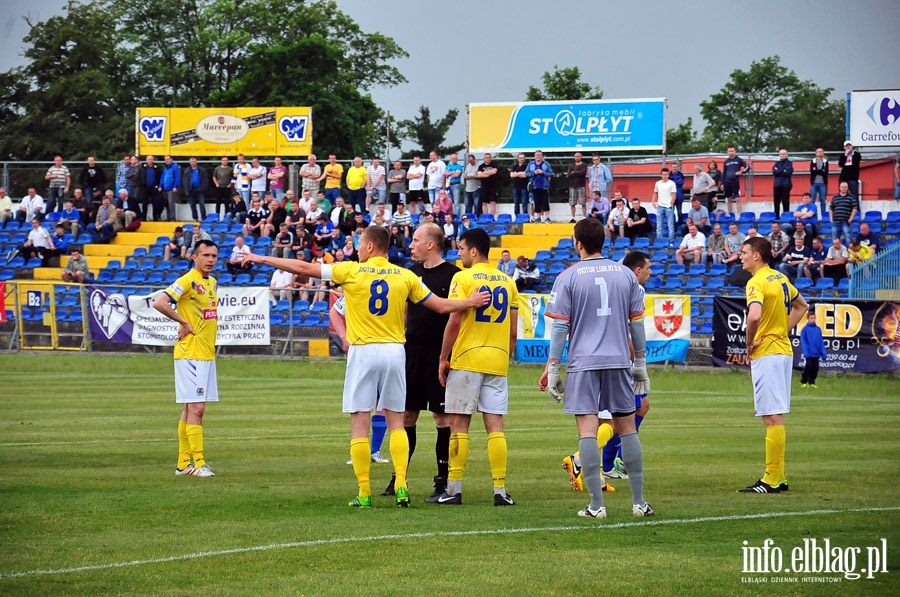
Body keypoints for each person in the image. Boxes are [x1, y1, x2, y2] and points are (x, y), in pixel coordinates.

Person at [242, 226, 490, 508]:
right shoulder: (406, 275)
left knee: (361, 420)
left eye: (360, 244)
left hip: (364, 350)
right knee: (398, 421)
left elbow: (303, 267)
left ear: (371, 247)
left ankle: (363, 492)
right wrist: (470, 302)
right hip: (396, 351)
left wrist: (262, 259)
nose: (357, 249)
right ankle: (400, 486)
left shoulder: (352, 270)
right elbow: (441, 306)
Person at [539, 217, 652, 519]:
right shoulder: (625, 275)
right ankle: (639, 503)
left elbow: (560, 328)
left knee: (587, 430)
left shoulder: (569, 276)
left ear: (577, 243)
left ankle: (596, 506)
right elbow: (637, 324)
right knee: (627, 429)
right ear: (604, 241)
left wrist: (552, 367)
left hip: (583, 362)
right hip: (618, 359)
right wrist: (639, 362)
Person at [436, 228, 518, 506]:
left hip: (467, 358)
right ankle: (500, 490)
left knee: (459, 425)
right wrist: (505, 355)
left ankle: (454, 489)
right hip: (497, 359)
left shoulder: (463, 277)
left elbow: (455, 321)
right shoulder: (508, 282)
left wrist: (443, 357)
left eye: (461, 248)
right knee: (496, 427)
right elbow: (513, 332)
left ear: (473, 251)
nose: (458, 254)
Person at [379, 224, 462, 501]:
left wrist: (448, 356)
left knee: (442, 418)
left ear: (431, 244)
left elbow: (455, 317)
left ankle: (442, 482)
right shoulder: (408, 274)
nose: (410, 244)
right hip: (410, 353)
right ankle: (398, 477)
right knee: (405, 416)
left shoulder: (454, 276)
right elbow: (403, 313)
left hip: (440, 355)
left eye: (416, 240)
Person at [561, 250, 653, 492]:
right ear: (636, 271)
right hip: (613, 358)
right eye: (647, 268)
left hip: (595, 356)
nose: (650, 272)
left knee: (631, 411)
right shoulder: (631, 285)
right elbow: (630, 326)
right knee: (613, 419)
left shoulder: (580, 276)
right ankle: (584, 461)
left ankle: (602, 467)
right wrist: (638, 361)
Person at [738, 236, 807, 493]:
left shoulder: (756, 282)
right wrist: (781, 330)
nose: (741, 255)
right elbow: (802, 306)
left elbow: (754, 315)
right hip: (782, 350)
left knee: (771, 416)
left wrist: (750, 342)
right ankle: (779, 475)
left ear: (757, 255)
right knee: (774, 414)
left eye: (744, 251)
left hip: (767, 353)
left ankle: (771, 478)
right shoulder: (780, 278)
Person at [152, 239, 221, 478]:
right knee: (198, 409)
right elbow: (159, 302)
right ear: (194, 257)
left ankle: (183, 464)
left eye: (213, 255)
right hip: (190, 354)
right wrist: (182, 321)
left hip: (205, 353)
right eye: (206, 255)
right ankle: (199, 463)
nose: (210, 259)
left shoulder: (212, 282)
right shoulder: (187, 280)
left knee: (189, 407)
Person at [800, 312, 827, 389]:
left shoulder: (818, 329)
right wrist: (806, 352)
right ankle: (804, 381)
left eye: (814, 318)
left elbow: (820, 341)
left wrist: (823, 352)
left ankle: (812, 381)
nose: (813, 319)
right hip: (809, 352)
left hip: (816, 352)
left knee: (815, 368)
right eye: (811, 318)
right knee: (808, 366)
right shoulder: (805, 330)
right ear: (808, 319)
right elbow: (804, 342)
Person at [527, 150, 554, 223]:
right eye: (537, 155)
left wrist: (543, 172)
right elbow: (527, 173)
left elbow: (551, 173)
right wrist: (534, 173)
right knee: (537, 202)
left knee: (545, 202)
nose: (538, 156)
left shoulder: (546, 164)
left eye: (540, 155)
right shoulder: (531, 164)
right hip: (535, 186)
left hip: (544, 186)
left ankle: (547, 218)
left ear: (542, 156)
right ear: (534, 156)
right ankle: (538, 217)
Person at [651, 168, 676, 240]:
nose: (665, 176)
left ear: (668, 175)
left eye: (666, 174)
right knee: (659, 226)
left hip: (668, 207)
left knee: (670, 226)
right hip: (660, 206)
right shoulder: (657, 183)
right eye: (663, 174)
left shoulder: (672, 183)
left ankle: (671, 241)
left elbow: (674, 195)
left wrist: (671, 204)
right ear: (661, 175)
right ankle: (659, 240)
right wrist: (653, 201)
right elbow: (655, 193)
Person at [722, 146, 749, 214]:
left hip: (735, 181)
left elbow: (748, 167)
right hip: (727, 182)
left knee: (737, 198)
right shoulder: (726, 161)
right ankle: (730, 214)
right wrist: (723, 183)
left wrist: (741, 172)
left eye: (732, 151)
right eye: (729, 151)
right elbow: (724, 173)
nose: (731, 153)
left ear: (735, 151)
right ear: (727, 152)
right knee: (729, 199)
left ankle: (740, 214)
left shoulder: (739, 160)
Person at [772, 148, 794, 218]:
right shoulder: (777, 163)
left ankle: (786, 216)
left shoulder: (789, 163)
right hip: (777, 185)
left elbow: (788, 173)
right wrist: (783, 170)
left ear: (787, 155)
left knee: (785, 201)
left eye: (784, 154)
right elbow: (774, 173)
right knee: (776, 202)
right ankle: (777, 217)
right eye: (781, 154)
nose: (782, 155)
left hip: (786, 185)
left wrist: (779, 170)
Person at [158, 155, 180, 222]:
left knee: (171, 203)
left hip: (171, 188)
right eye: (165, 159)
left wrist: (175, 186)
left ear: (171, 159)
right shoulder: (165, 168)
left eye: (168, 159)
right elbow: (162, 177)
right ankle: (168, 217)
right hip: (165, 188)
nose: (166, 161)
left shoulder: (175, 167)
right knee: (166, 204)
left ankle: (172, 217)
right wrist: (160, 186)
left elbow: (177, 177)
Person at [567, 152, 588, 222]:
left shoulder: (584, 165)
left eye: (578, 156)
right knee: (572, 203)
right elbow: (568, 175)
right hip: (572, 186)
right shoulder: (571, 165)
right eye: (575, 156)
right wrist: (575, 172)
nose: (577, 158)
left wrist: (574, 172)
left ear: (581, 157)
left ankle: (584, 216)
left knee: (583, 202)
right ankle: (573, 217)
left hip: (581, 185)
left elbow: (583, 173)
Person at [809, 148, 829, 218]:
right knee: (812, 201)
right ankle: (813, 216)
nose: (820, 153)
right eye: (818, 152)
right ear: (816, 153)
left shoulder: (825, 162)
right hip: (814, 183)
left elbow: (826, 172)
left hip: (823, 184)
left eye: (821, 151)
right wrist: (821, 171)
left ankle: (823, 217)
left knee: (823, 201)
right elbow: (812, 171)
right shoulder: (813, 161)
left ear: (823, 153)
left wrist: (817, 171)